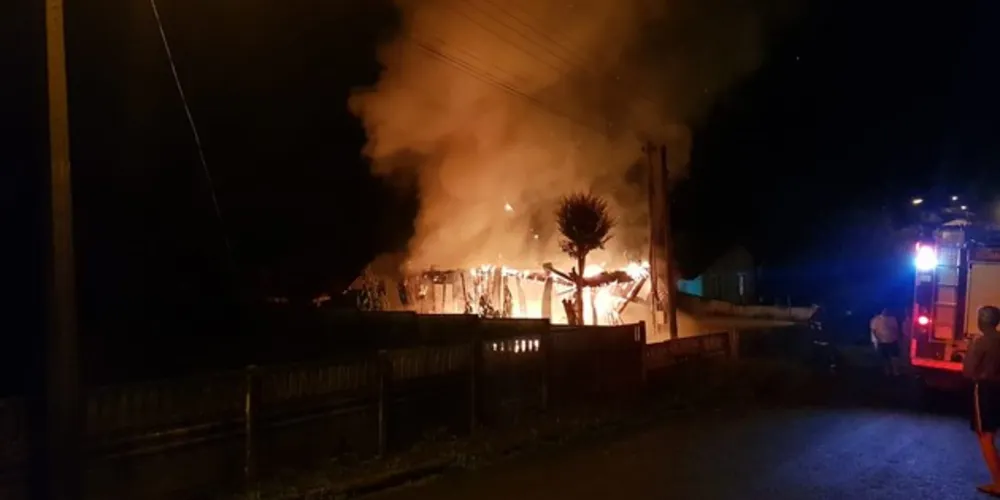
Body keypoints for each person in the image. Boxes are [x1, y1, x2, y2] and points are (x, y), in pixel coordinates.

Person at [963, 305, 1000, 495]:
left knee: (985, 436)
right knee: (991, 433)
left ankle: (998, 483)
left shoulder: (980, 342)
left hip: (985, 390)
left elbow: (968, 370)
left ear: (981, 321)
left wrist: (969, 350)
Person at [870, 308, 901, 376]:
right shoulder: (876, 320)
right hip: (882, 341)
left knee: (894, 357)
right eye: (884, 310)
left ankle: (896, 371)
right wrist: (876, 341)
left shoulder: (892, 319)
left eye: (887, 310)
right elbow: (873, 331)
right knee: (885, 358)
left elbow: (896, 329)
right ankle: (887, 372)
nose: (886, 311)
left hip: (892, 340)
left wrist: (898, 338)